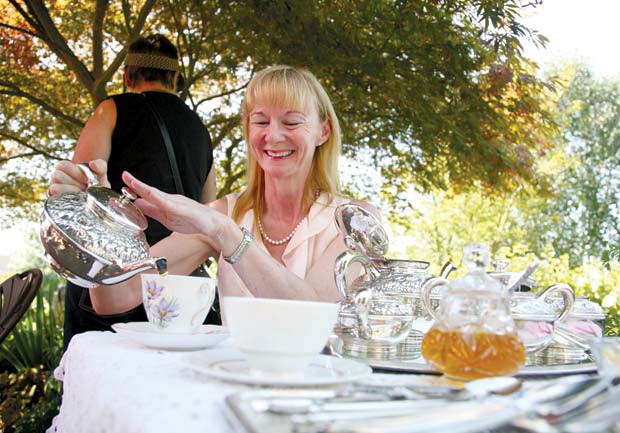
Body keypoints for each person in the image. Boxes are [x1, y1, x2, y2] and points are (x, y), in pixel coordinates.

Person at [49, 65, 379, 319]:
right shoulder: (223, 213)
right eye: (260, 121)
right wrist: (99, 223)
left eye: (291, 123)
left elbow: (311, 318)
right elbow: (114, 299)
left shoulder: (356, 222)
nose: (273, 136)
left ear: (323, 131)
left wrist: (226, 234)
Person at [51, 34, 217, 349]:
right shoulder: (199, 128)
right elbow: (208, 209)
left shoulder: (112, 109)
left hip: (116, 276)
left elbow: (81, 190)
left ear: (128, 76)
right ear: (175, 78)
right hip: (181, 277)